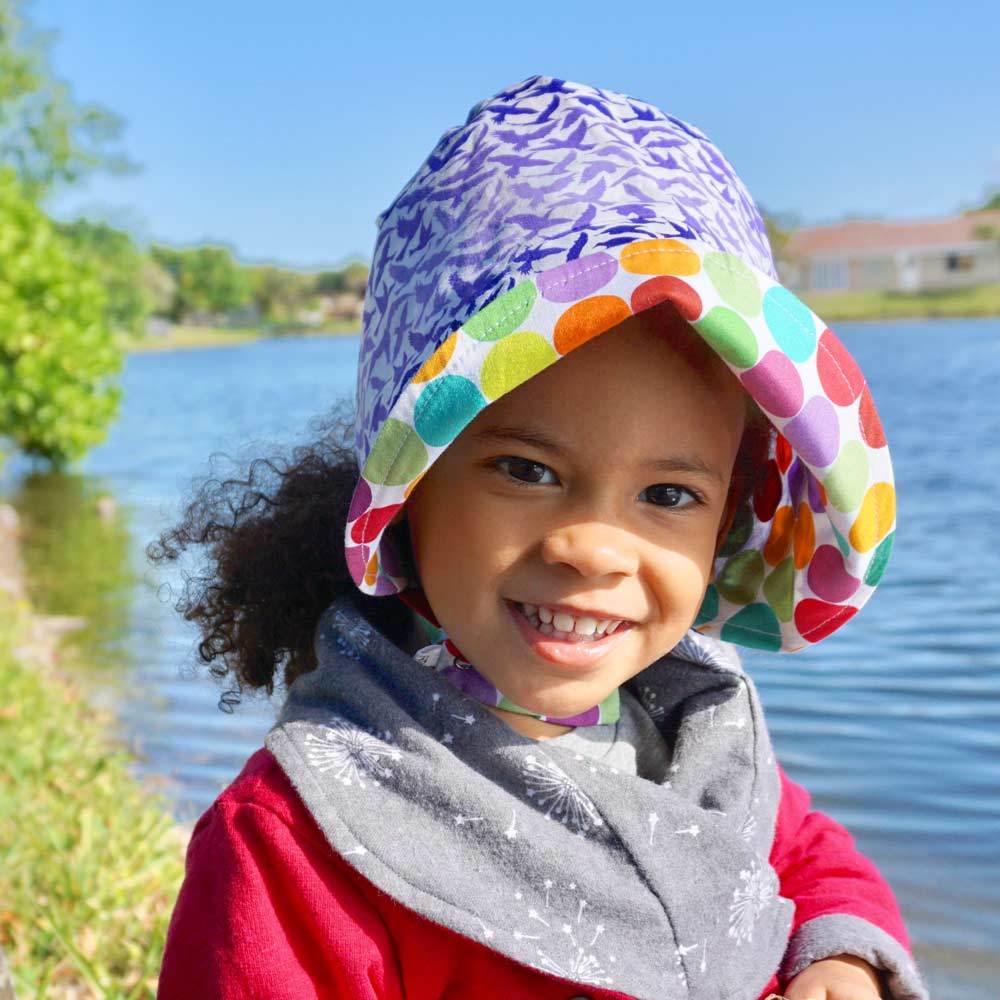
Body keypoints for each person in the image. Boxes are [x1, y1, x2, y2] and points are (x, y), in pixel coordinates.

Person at [155, 76, 926, 999]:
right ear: (410, 487)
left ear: (728, 518)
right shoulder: (303, 842)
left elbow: (799, 849)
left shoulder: (694, 726)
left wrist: (839, 950)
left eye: (669, 493)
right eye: (527, 470)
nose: (595, 548)